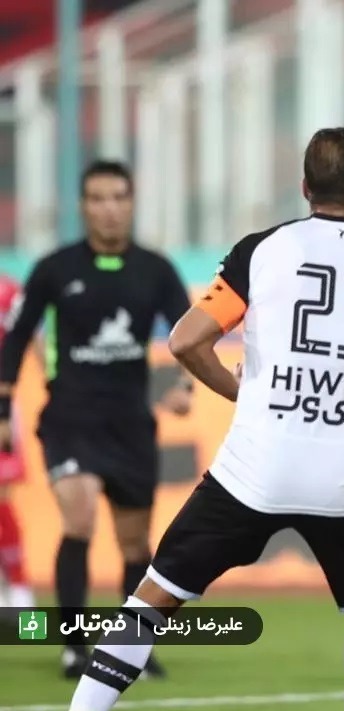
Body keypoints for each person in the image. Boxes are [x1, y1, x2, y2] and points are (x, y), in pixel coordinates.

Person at [63, 126, 344, 711]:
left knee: (152, 599)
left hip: (252, 476)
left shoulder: (261, 250)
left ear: (305, 188)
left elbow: (186, 341)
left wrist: (245, 394)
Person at [0, 161, 194, 679]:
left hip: (130, 425)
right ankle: (73, 646)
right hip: (70, 420)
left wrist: (186, 385)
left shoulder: (155, 270)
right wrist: (2, 408)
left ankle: (132, 647)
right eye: (98, 198)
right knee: (79, 518)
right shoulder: (54, 269)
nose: (109, 208)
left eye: (118, 197)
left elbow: (190, 332)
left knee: (134, 544)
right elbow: (15, 340)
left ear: (131, 203)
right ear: (83, 206)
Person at [0, 274, 32, 615]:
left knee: (2, 497)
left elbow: (32, 336)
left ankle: (20, 588)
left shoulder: (8, 291)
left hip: (1, 404)